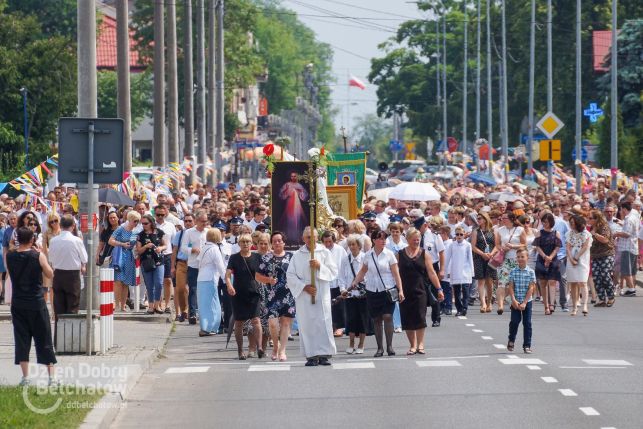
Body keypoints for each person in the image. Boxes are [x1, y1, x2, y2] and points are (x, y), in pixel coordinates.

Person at [7, 227, 56, 386]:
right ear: (32, 240)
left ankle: (26, 377)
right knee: (44, 339)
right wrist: (41, 253)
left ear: (17, 239)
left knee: (22, 339)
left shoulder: (10, 256)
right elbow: (50, 274)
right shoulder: (38, 255)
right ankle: (51, 378)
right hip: (36, 302)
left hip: (18, 303)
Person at [286, 227, 339, 367]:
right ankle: (311, 355)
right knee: (307, 325)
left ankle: (324, 354)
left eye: (313, 236)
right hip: (305, 295)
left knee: (323, 323)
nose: (310, 239)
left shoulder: (324, 253)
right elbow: (290, 276)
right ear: (303, 239)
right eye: (308, 237)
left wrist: (319, 266)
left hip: (321, 293)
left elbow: (333, 272)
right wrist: (304, 287)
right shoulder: (297, 255)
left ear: (317, 237)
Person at [351, 230, 404, 358]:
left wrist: (400, 290)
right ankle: (379, 347)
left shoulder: (390, 254)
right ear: (374, 240)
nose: (383, 241)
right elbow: (363, 271)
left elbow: (396, 274)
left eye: (385, 238)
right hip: (372, 289)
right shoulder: (368, 255)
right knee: (376, 319)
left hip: (387, 289)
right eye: (380, 238)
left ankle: (389, 346)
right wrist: (355, 282)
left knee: (387, 316)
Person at [397, 228, 442, 355]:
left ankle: (420, 344)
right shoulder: (400, 254)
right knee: (407, 318)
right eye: (414, 239)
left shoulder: (424, 254)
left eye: (418, 239)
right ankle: (412, 345)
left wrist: (439, 289)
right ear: (408, 240)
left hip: (420, 290)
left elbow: (432, 273)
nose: (417, 242)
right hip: (404, 291)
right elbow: (395, 273)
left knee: (420, 317)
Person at [255, 231, 295, 361]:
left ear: (284, 242)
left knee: (285, 323)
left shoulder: (292, 257)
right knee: (272, 324)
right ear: (271, 243)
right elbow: (257, 276)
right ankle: (275, 347)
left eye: (279, 240)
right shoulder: (266, 258)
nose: (277, 243)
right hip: (271, 295)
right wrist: (268, 280)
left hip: (288, 294)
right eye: (274, 241)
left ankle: (282, 351)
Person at [226, 234, 264, 360]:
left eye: (247, 241)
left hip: (254, 292)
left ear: (251, 242)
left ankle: (259, 347)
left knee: (256, 320)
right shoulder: (234, 258)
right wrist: (229, 286)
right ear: (239, 244)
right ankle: (240, 350)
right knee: (239, 322)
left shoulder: (257, 256)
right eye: (242, 242)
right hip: (238, 293)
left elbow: (263, 272)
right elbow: (227, 275)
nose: (245, 244)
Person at [48, 214, 88, 318]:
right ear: (73, 226)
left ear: (60, 225)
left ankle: (59, 333)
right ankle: (70, 333)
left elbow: (51, 259)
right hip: (73, 275)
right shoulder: (77, 240)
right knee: (72, 307)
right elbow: (85, 259)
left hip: (58, 274)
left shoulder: (53, 241)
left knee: (59, 307)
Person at [339, 234, 371, 354]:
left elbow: (369, 275)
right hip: (349, 294)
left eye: (354, 244)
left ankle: (361, 345)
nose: (351, 247)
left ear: (359, 246)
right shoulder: (345, 260)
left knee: (363, 319)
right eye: (350, 244)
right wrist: (342, 289)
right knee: (351, 319)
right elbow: (341, 277)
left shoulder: (365, 258)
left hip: (363, 294)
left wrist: (362, 283)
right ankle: (351, 343)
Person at [493, 212, 526, 315]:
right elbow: (497, 245)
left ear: (511, 219)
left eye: (505, 218)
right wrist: (503, 248)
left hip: (517, 260)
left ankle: (512, 301)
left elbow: (524, 244)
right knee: (502, 283)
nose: (502, 220)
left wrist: (513, 246)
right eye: (502, 218)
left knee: (514, 284)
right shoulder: (500, 230)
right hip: (505, 260)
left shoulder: (520, 229)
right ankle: (500, 306)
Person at [108, 211, 140, 312]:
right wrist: (122, 244)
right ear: (129, 220)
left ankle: (123, 306)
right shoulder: (120, 229)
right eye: (135, 221)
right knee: (118, 282)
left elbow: (133, 245)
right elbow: (110, 241)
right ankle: (117, 305)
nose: (136, 223)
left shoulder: (135, 232)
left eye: (137, 221)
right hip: (119, 256)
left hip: (129, 257)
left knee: (126, 282)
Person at [196, 228, 226, 336]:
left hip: (201, 278)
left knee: (203, 304)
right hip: (210, 278)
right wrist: (226, 280)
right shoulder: (214, 249)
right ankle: (212, 327)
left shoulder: (204, 247)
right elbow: (220, 266)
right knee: (213, 303)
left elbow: (199, 262)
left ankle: (205, 327)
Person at [182, 210, 210, 325]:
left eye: (206, 221)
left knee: (206, 289)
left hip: (206, 265)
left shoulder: (208, 232)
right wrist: (192, 250)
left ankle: (204, 312)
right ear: (197, 221)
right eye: (202, 221)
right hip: (193, 265)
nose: (204, 223)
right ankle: (192, 313)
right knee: (193, 289)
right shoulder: (189, 232)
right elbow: (183, 248)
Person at [507, 248, 536, 354]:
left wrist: (525, 302)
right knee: (514, 321)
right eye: (518, 257)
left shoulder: (531, 272)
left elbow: (531, 288)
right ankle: (511, 339)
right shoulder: (513, 271)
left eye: (522, 257)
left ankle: (527, 345)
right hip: (516, 300)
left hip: (527, 302)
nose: (520, 259)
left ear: (527, 258)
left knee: (527, 323)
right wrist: (513, 300)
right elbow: (510, 287)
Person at [136, 214, 166, 315]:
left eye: (146, 223)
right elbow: (139, 251)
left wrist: (160, 248)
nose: (144, 225)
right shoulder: (140, 235)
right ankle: (151, 306)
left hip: (158, 260)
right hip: (146, 261)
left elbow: (165, 245)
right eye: (142, 223)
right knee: (149, 285)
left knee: (159, 283)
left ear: (151, 223)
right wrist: (146, 246)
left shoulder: (159, 232)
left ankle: (158, 305)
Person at [533, 212, 562, 315]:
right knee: (543, 283)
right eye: (543, 222)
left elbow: (557, 247)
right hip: (541, 259)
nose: (544, 224)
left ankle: (552, 304)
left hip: (553, 259)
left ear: (551, 222)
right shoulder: (539, 233)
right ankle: (546, 306)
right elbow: (537, 246)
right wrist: (545, 256)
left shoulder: (556, 233)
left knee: (552, 282)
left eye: (546, 222)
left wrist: (550, 257)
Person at [321, 230, 347, 337]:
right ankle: (330, 326)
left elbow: (344, 265)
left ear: (334, 241)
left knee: (339, 306)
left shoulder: (340, 250)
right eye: (325, 242)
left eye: (330, 242)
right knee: (327, 306)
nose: (327, 244)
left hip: (337, 281)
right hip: (326, 282)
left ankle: (340, 327)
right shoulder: (321, 250)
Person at [588, 210, 616, 307]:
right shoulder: (592, 227)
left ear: (596, 219)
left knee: (605, 275)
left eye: (590, 218)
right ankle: (601, 299)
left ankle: (611, 296)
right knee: (596, 276)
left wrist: (595, 234)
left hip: (606, 254)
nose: (589, 219)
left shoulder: (604, 227)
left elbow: (605, 240)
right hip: (595, 255)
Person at [566, 214, 592, 316]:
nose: (571, 225)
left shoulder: (586, 233)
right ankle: (574, 307)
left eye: (572, 223)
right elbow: (568, 247)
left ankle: (585, 305)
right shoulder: (569, 233)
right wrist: (571, 259)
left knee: (583, 282)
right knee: (573, 283)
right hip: (571, 259)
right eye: (570, 223)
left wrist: (576, 257)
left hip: (582, 259)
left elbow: (585, 247)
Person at [445, 226, 474, 317]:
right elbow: (448, 258)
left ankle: (464, 308)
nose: (459, 236)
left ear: (464, 235)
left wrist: (472, 272)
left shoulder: (467, 245)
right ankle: (459, 309)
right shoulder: (452, 245)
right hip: (455, 270)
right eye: (457, 234)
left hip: (465, 270)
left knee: (465, 291)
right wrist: (446, 270)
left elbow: (470, 259)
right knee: (457, 292)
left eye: (461, 234)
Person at [471, 212, 496, 313]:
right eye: (478, 218)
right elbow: (473, 246)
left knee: (489, 282)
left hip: (490, 257)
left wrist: (491, 254)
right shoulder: (476, 231)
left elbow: (497, 245)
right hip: (479, 258)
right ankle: (483, 303)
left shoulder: (493, 231)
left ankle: (489, 302)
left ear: (485, 219)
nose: (478, 220)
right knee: (481, 281)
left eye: (480, 218)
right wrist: (483, 254)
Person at [171, 213, 194, 321]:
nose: (188, 223)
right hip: (181, 263)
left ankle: (191, 311)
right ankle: (184, 310)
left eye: (190, 221)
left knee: (193, 289)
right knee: (180, 288)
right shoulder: (179, 234)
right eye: (186, 221)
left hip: (194, 263)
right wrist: (172, 267)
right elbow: (174, 251)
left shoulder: (197, 234)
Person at [153, 205, 176, 314]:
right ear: (155, 214)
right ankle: (157, 304)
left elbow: (174, 243)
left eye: (163, 214)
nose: (161, 217)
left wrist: (174, 259)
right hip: (154, 255)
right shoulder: (151, 225)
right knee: (157, 282)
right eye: (158, 214)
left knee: (167, 280)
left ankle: (167, 304)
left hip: (167, 255)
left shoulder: (170, 226)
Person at [614, 202, 639, 297]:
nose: (621, 211)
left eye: (621, 209)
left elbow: (627, 234)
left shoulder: (629, 218)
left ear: (624, 209)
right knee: (631, 270)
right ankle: (630, 288)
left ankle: (631, 289)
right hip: (632, 246)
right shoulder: (634, 216)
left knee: (626, 270)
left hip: (627, 247)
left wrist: (617, 234)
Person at [278, 172, 308, 242]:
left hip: (297, 206)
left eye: (295, 176)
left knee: (297, 220)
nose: (293, 177)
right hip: (289, 205)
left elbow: (305, 195)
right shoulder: (287, 184)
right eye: (292, 176)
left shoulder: (299, 185)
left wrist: (300, 192)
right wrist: (287, 193)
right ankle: (288, 237)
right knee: (289, 220)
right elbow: (281, 193)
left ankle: (297, 237)